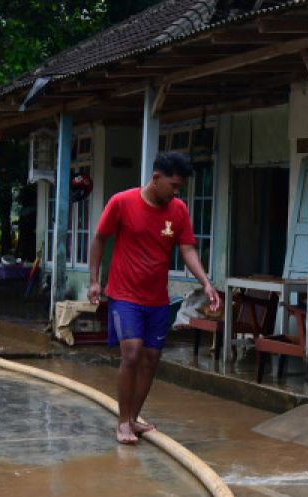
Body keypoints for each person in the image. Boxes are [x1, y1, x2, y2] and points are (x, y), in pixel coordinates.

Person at [88, 151, 220, 445]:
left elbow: (187, 249)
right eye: (173, 185)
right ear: (156, 178)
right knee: (132, 353)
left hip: (158, 298)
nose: (176, 192)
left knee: (150, 359)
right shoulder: (122, 202)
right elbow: (99, 238)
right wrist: (95, 281)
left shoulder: (179, 210)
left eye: (179, 188)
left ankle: (133, 418)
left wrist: (206, 283)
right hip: (124, 294)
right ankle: (122, 422)